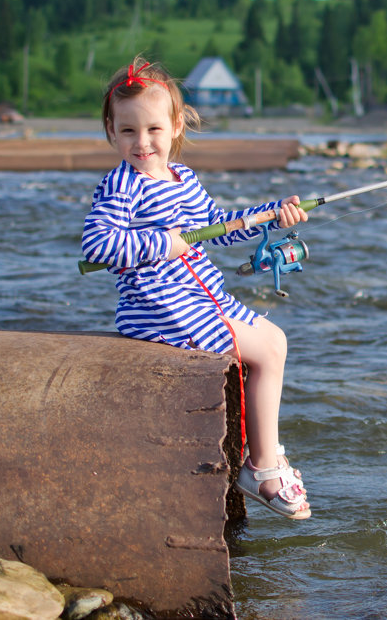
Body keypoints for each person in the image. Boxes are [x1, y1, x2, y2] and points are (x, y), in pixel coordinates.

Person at [82, 57, 311, 520]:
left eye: (152, 130)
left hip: (204, 296)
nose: (142, 143)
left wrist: (272, 213)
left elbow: (218, 230)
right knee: (264, 353)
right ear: (111, 131)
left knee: (275, 341)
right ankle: (262, 466)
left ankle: (264, 456)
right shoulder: (120, 185)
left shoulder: (183, 179)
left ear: (175, 125)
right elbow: (98, 244)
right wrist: (162, 243)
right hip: (161, 307)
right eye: (128, 132)